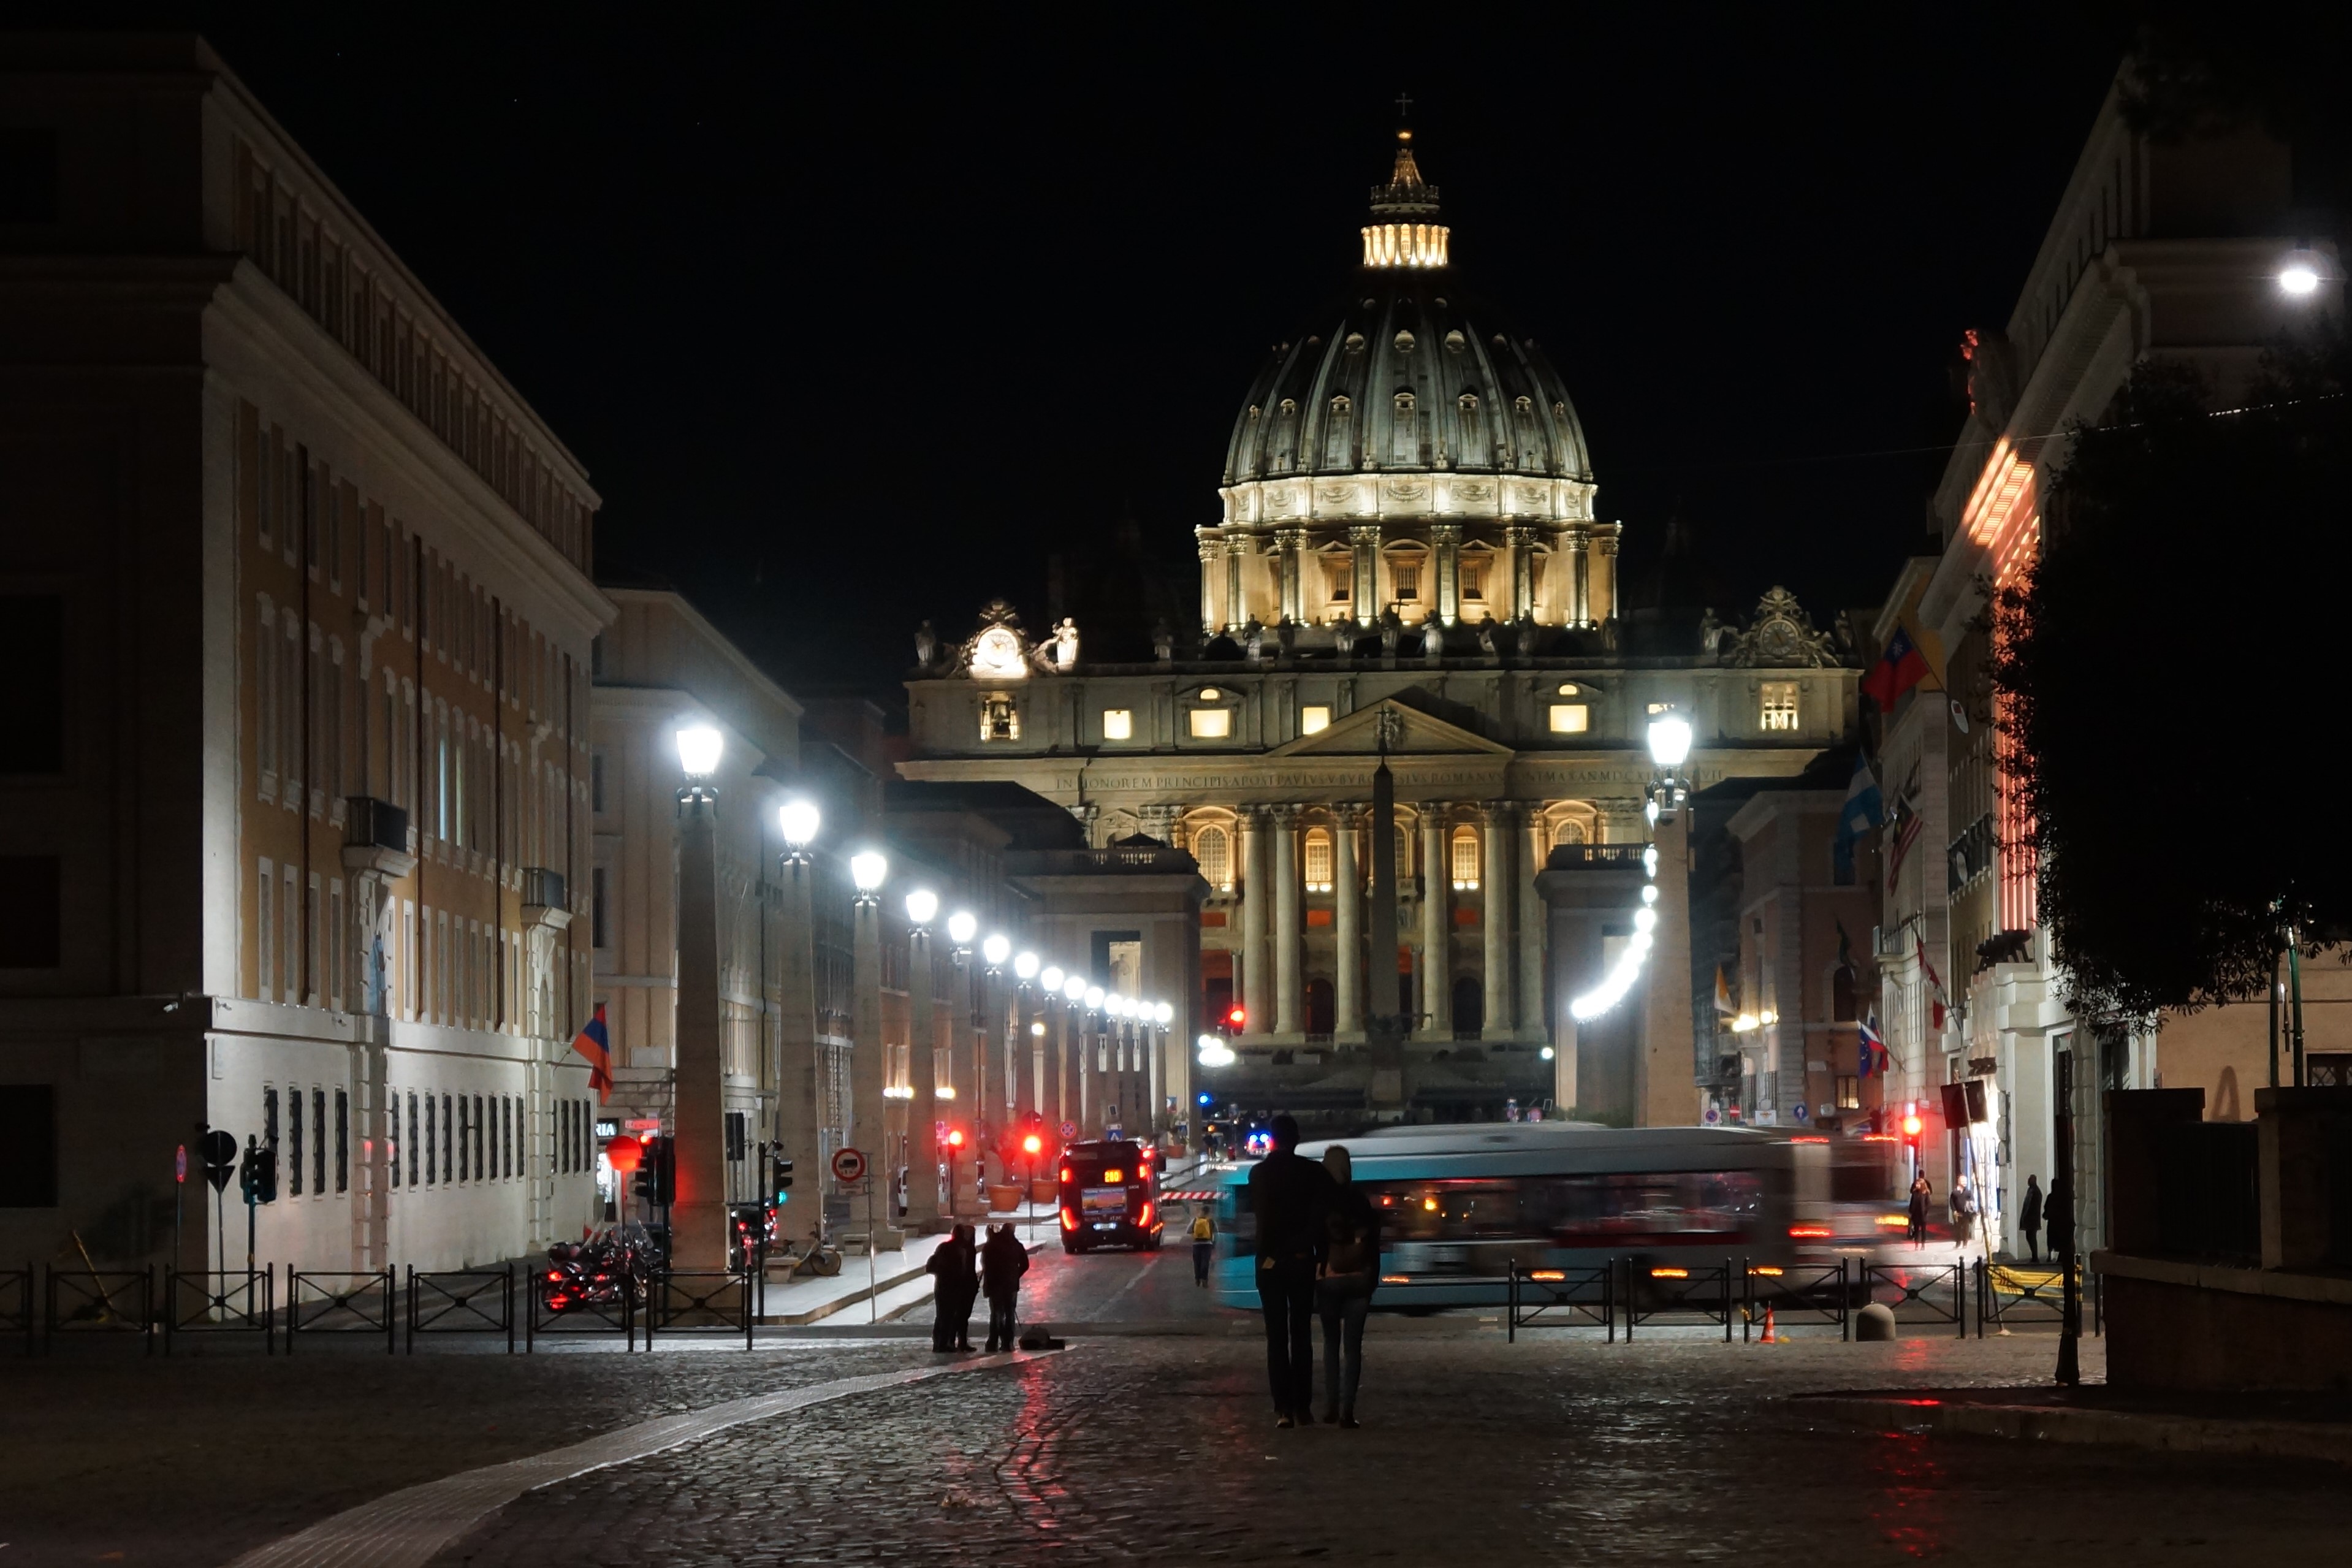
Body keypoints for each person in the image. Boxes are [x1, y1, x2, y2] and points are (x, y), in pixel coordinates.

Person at [1247, 1114, 1333, 1428]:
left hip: (1270, 1263)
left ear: (1272, 1140)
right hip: (1301, 1261)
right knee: (1301, 1334)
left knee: (1276, 1337)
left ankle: (1282, 1407)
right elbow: (1321, 1218)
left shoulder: (1258, 1174)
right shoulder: (1313, 1173)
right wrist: (1316, 1253)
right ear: (1297, 1139)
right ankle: (1303, 1406)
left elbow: (1264, 1220)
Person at [1315, 1145, 1379, 1429]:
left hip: (1329, 1279)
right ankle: (1347, 1412)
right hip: (1358, 1280)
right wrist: (1371, 1277)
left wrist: (1318, 1271)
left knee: (1331, 1344)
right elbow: (1374, 1242)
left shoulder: (1320, 1201)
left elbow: (1316, 1240)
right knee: (1353, 1348)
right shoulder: (1360, 1200)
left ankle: (1330, 1406)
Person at [926, 1223, 978, 1352]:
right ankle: (947, 1343)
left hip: (943, 1287)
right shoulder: (965, 1249)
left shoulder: (944, 1247)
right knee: (952, 1316)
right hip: (955, 1288)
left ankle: (940, 1343)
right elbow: (966, 1271)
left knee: (943, 1316)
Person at [980, 1222, 1029, 1351]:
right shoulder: (1016, 1245)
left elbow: (985, 1263)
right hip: (1010, 1285)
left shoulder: (991, 1245)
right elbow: (1025, 1264)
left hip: (994, 1284)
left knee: (996, 1313)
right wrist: (1015, 1275)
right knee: (1010, 1313)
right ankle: (1008, 1343)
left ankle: (993, 1342)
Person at [2019, 1174, 2044, 1263]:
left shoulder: (2035, 1192)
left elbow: (2031, 1206)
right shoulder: (2031, 1191)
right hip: (2030, 1219)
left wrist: (2026, 1217)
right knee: (2030, 1237)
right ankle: (2034, 1256)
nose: (2028, 1181)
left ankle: (2035, 1257)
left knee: (2032, 1237)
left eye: (2030, 1180)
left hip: (2032, 1220)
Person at [1190, 1205, 1216, 1287]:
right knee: (1205, 1262)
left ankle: (1197, 1279)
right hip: (1208, 1244)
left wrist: (1196, 1233)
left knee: (1197, 1262)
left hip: (1196, 1244)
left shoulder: (1195, 1220)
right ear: (1209, 1212)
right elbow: (1216, 1233)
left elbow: (1188, 1230)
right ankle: (1204, 1280)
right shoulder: (1211, 1221)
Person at [1950, 1173, 1977, 1249]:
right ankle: (1958, 1243)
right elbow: (1952, 1202)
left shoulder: (1968, 1192)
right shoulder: (1955, 1193)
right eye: (1963, 1181)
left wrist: (1970, 1209)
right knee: (1958, 1229)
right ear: (1959, 1182)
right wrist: (1954, 1210)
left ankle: (1965, 1243)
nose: (1965, 1182)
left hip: (1966, 1213)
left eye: (1966, 1181)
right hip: (1958, 1213)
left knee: (1966, 1229)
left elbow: (1972, 1201)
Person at [1906, 1173, 1931, 1247]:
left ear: (1922, 1185)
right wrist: (1910, 1211)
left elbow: (1929, 1204)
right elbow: (1912, 1202)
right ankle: (1916, 1243)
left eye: (1918, 1184)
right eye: (1916, 1184)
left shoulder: (1926, 1193)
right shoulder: (1914, 1193)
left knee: (1923, 1230)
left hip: (1923, 1215)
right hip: (1915, 1214)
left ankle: (1923, 1243)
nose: (1917, 1186)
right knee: (1916, 1229)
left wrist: (1925, 1211)